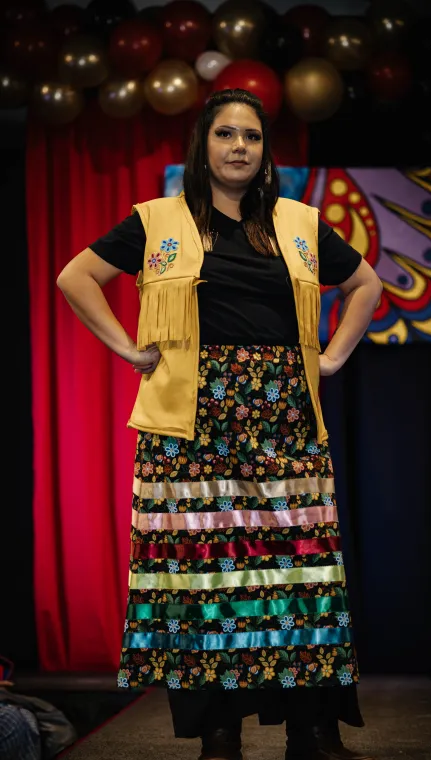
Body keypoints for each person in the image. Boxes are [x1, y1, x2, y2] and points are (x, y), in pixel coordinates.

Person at [57, 88, 382, 760]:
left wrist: (333, 355)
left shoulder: (297, 221)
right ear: (202, 147)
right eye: (226, 134)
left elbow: (365, 286)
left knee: (300, 578)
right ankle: (218, 731)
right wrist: (126, 348)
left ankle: (311, 730)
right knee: (207, 584)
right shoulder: (155, 220)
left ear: (264, 153)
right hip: (191, 425)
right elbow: (76, 276)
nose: (239, 146)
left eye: (252, 137)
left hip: (282, 421)